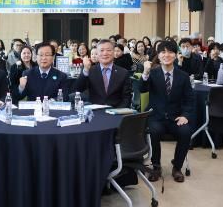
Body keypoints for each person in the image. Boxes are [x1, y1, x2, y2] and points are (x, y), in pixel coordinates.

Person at [140, 40, 196, 183]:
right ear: (158, 55)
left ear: (175, 55)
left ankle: (177, 167)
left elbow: (189, 100)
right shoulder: (152, 73)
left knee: (185, 132)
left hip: (175, 117)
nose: (166, 55)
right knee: (154, 131)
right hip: (156, 116)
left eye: (170, 52)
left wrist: (185, 116)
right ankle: (156, 166)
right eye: (163, 52)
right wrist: (145, 72)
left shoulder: (183, 76)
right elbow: (142, 88)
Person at [74, 40, 132, 108]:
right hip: (95, 111)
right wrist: (86, 70)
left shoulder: (123, 73)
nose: (105, 53)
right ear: (97, 53)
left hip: (116, 111)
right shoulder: (90, 70)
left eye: (108, 50)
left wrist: (118, 112)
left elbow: (127, 98)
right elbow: (79, 89)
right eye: (101, 50)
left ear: (113, 52)